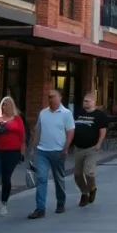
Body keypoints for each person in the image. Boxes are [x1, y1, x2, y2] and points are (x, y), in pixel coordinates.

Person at [28, 88, 75, 219]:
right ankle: (40, 208)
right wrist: (33, 148)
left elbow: (70, 131)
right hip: (42, 151)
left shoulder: (66, 113)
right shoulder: (43, 113)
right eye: (49, 97)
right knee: (41, 178)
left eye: (53, 96)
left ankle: (61, 202)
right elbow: (38, 130)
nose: (50, 99)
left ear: (60, 98)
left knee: (58, 178)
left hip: (58, 151)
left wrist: (65, 148)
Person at [73, 93, 108, 208]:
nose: (85, 103)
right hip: (78, 148)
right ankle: (84, 193)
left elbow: (103, 130)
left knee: (89, 172)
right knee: (77, 174)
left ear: (93, 102)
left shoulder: (99, 115)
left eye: (88, 101)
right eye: (84, 101)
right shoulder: (78, 113)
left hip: (91, 148)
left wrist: (99, 143)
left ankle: (92, 188)